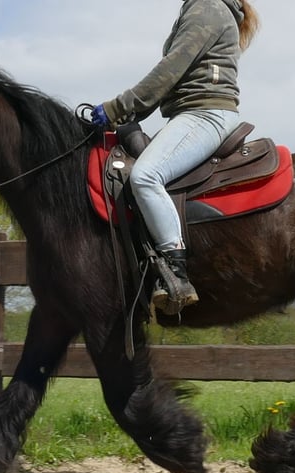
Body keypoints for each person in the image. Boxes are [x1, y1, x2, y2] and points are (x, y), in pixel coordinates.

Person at [90, 0, 260, 312]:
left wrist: (117, 107)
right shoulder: (204, 7)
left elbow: (169, 71)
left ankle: (175, 272)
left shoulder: (207, 7)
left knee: (145, 176)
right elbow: (171, 80)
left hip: (205, 115)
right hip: (192, 113)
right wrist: (127, 112)